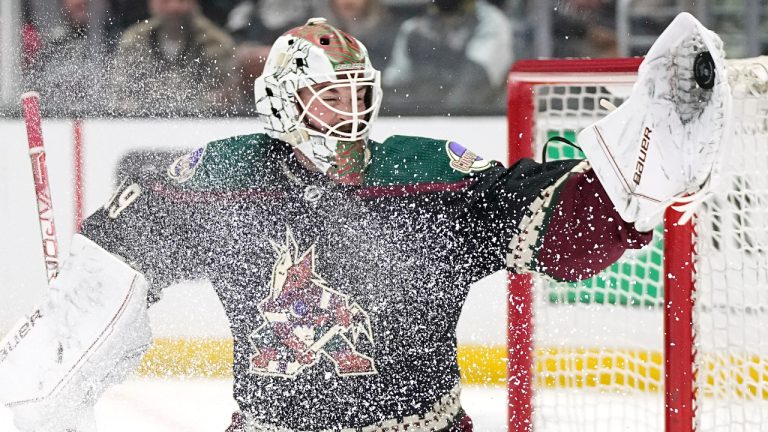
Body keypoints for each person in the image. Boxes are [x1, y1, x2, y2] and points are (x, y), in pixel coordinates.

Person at [0, 13, 730, 432]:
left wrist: (630, 184)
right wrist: (51, 374)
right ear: (283, 106)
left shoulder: (426, 174)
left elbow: (553, 229)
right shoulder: (224, 182)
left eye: (358, 94)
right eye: (329, 99)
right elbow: (114, 263)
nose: (351, 116)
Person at [383, 0, 513, 114]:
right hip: (415, 117)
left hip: (477, 118)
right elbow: (394, 85)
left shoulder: (490, 21)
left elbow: (474, 83)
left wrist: (437, 115)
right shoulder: (414, 27)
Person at [109, 0, 236, 116]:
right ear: (152, 3)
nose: (174, 7)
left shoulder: (215, 42)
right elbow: (120, 93)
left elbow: (225, 96)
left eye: (182, 1)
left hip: (199, 122)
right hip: (144, 122)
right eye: (165, 1)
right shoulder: (135, 40)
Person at [26, 0, 110, 116]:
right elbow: (38, 93)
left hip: (103, 120)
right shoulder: (52, 48)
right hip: (58, 119)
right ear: (62, 3)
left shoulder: (110, 43)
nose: (80, 2)